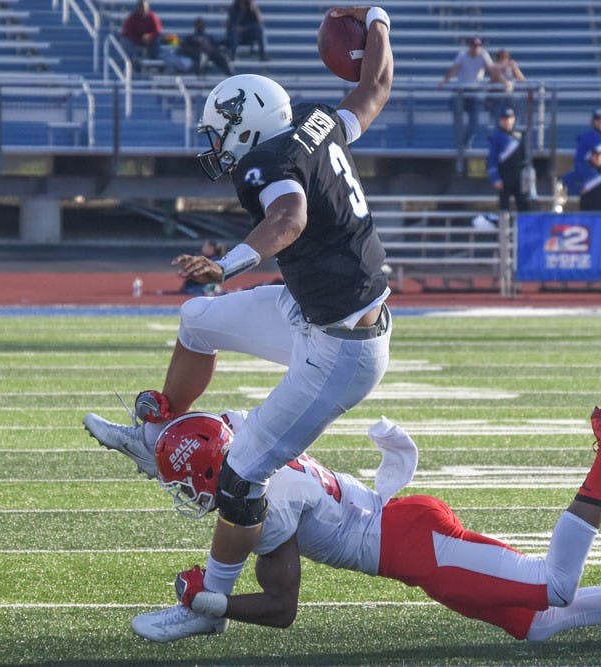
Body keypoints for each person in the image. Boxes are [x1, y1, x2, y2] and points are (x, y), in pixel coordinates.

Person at [85, 5, 393, 619]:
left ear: (248, 126)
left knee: (243, 473)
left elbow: (289, 217)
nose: (216, 146)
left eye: (220, 133)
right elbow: (375, 87)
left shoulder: (266, 165)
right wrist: (378, 18)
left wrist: (225, 264)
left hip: (340, 350)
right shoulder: (314, 120)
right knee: (197, 322)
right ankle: (154, 438)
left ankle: (212, 600)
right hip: (312, 309)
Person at [129, 400, 601, 643]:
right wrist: (163, 421)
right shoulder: (250, 436)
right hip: (408, 539)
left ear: (213, 472)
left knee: (555, 586)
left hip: (419, 545)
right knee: (537, 625)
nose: (189, 494)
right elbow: (221, 418)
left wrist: (212, 604)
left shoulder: (266, 500)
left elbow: (282, 609)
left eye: (189, 481)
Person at [439, 36, 500, 149]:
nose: (476, 48)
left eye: (478, 46)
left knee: (474, 121)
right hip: (461, 91)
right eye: (474, 46)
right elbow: (454, 69)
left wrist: (497, 80)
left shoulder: (483, 55)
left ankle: (467, 142)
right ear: (469, 46)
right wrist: (444, 81)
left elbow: (491, 69)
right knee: (458, 117)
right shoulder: (462, 55)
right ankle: (460, 142)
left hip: (475, 91)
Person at [487, 107, 529, 212]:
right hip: (504, 176)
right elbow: (492, 160)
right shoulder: (496, 137)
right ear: (500, 121)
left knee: (523, 205)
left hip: (519, 176)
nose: (507, 122)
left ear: (514, 119)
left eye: (510, 118)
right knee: (504, 207)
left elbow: (525, 158)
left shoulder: (520, 135)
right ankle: (504, 227)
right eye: (504, 119)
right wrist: (496, 178)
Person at [120, 0, 164, 66]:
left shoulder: (152, 17)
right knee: (125, 42)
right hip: (135, 42)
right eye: (140, 7)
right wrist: (137, 38)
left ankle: (155, 64)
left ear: (148, 8)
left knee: (157, 40)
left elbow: (158, 31)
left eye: (144, 7)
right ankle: (130, 64)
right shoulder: (132, 18)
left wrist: (149, 36)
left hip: (149, 43)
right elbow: (126, 32)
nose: (142, 9)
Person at [487, 48, 525, 118]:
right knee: (497, 115)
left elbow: (522, 79)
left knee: (514, 113)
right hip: (497, 98)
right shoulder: (494, 68)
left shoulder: (511, 67)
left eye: (506, 58)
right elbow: (497, 79)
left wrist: (515, 68)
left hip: (509, 98)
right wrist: (505, 81)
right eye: (502, 58)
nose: (504, 60)